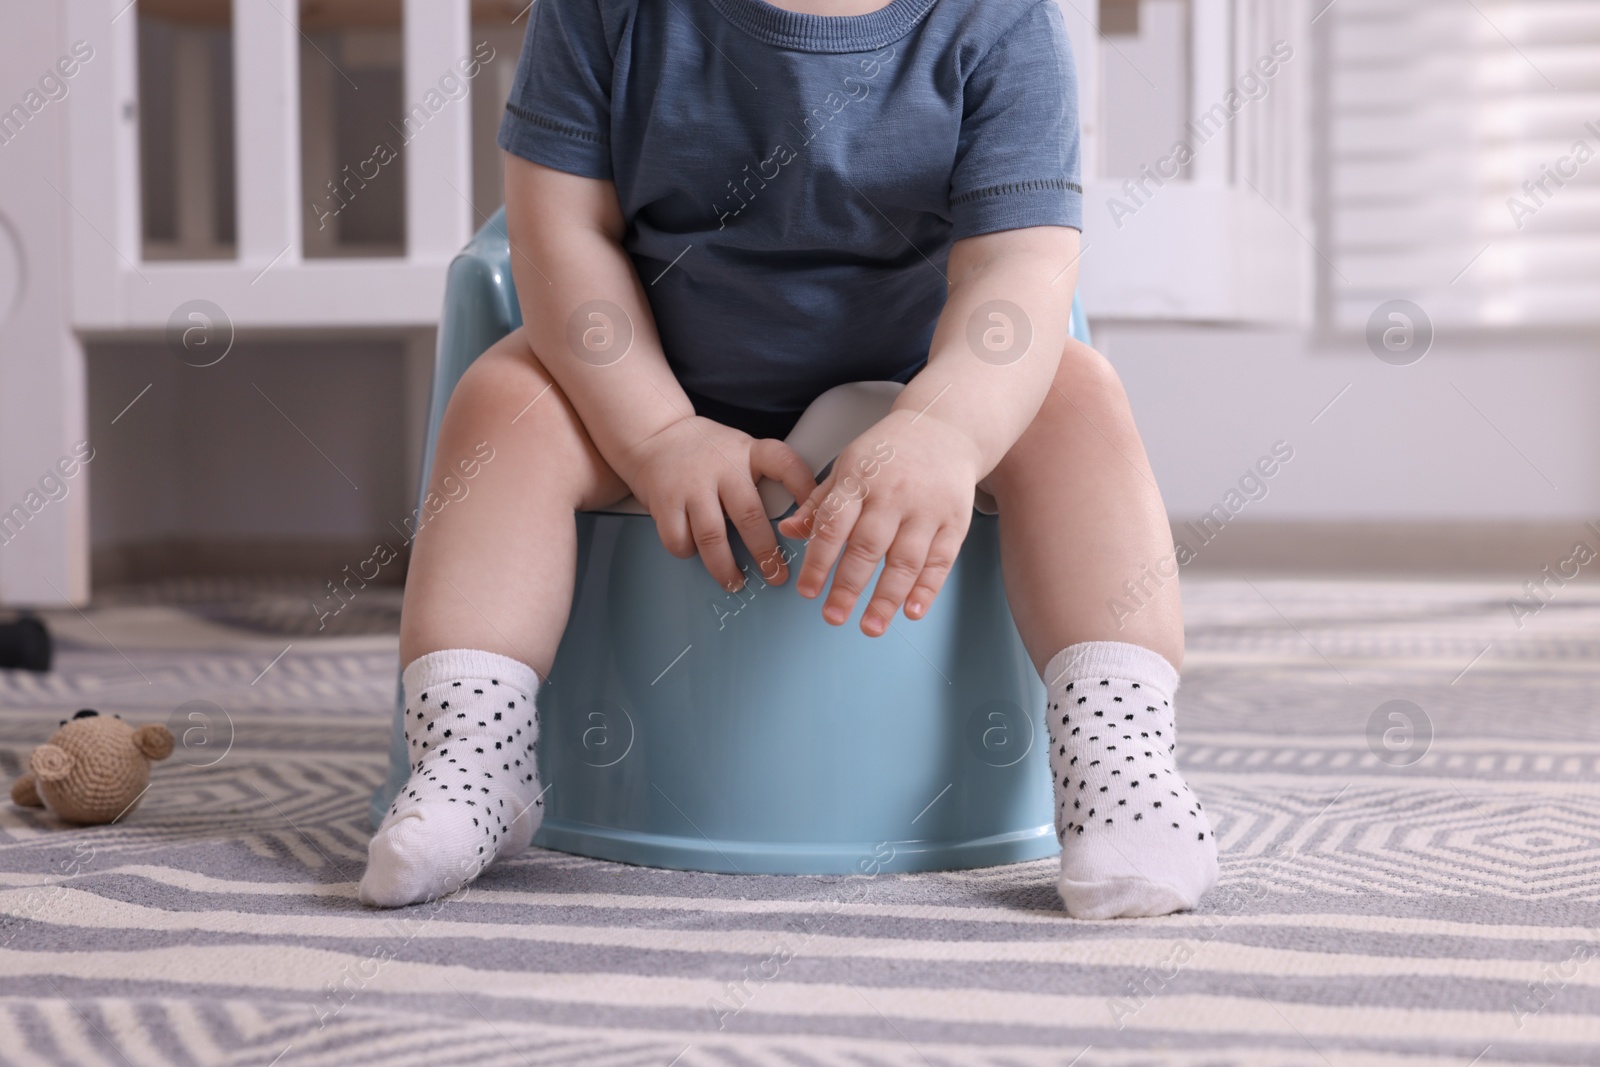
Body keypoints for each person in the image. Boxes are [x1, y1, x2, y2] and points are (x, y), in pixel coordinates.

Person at [359, 0, 1218, 918]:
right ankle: (472, 758)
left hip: (921, 388)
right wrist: (655, 431)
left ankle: (1118, 760)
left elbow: (1019, 272)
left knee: (1079, 395)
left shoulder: (1003, 24)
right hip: (649, 383)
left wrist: (948, 427)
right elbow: (558, 231)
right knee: (505, 396)